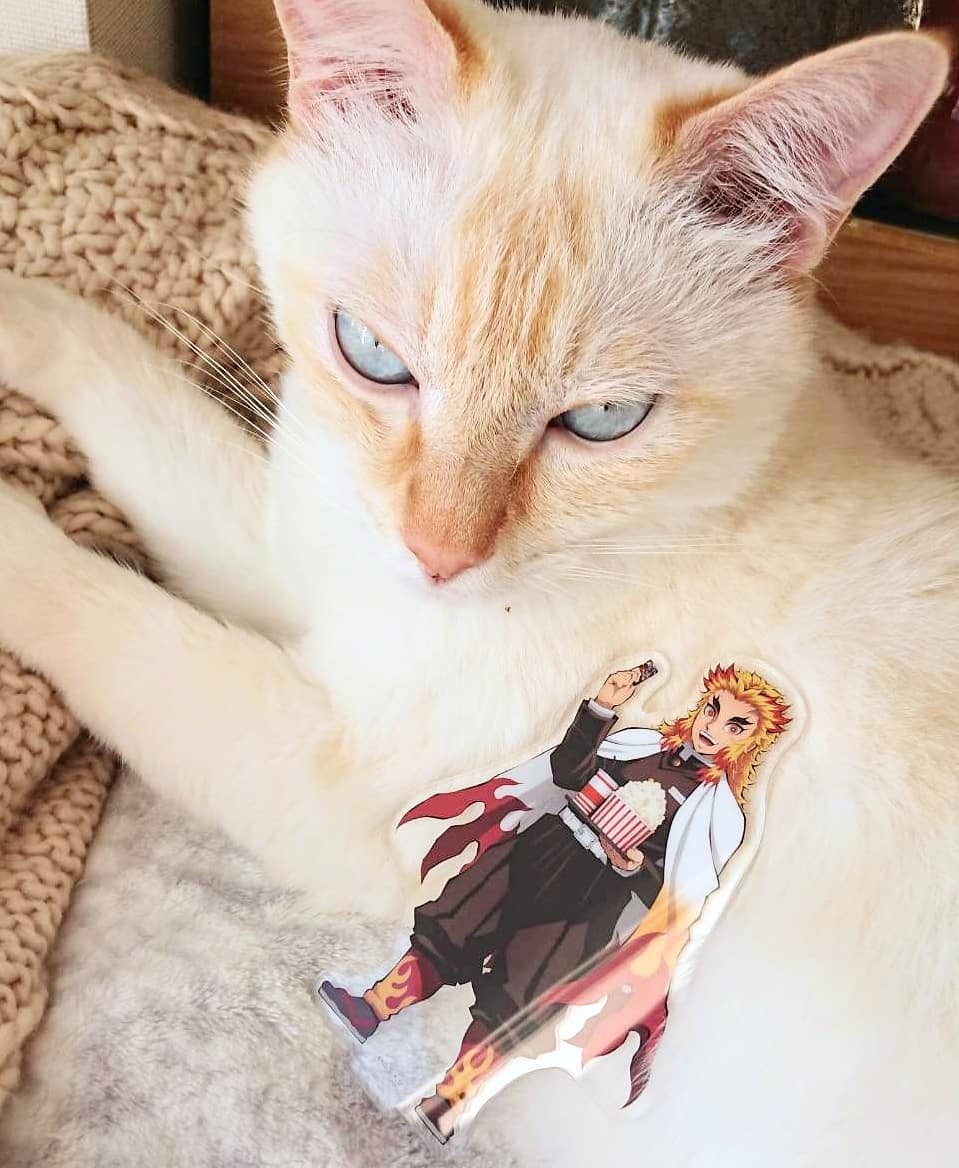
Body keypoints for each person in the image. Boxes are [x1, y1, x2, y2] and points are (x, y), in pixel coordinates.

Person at [321, 663, 790, 1142]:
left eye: (736, 726)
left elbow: (676, 897)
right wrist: (601, 708)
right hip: (543, 847)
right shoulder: (640, 744)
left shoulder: (718, 816)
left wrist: (632, 866)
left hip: (591, 901)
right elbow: (568, 772)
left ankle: (450, 1099)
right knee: (455, 926)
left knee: (522, 994)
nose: (713, 727)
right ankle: (372, 1008)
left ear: (752, 744)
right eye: (713, 710)